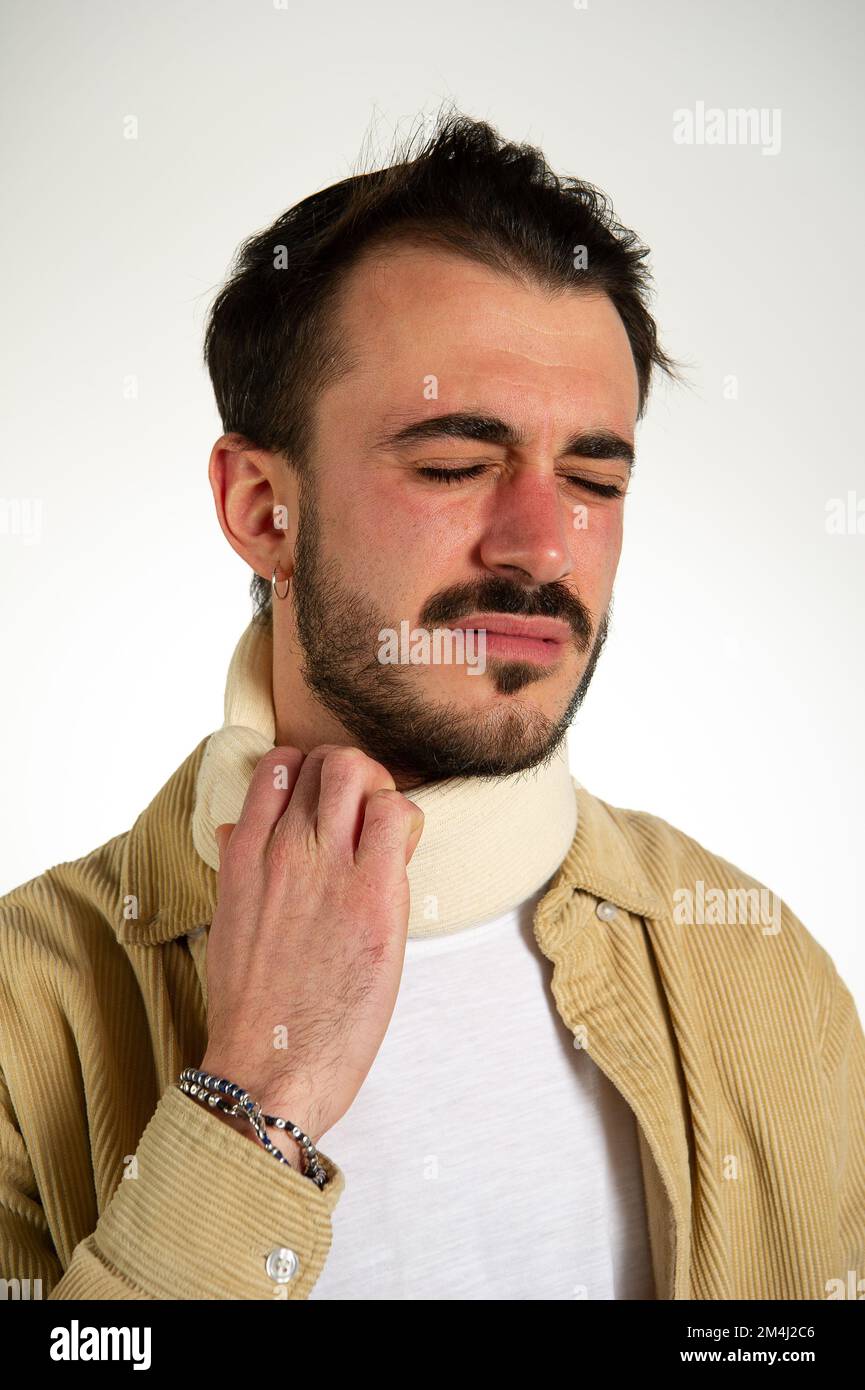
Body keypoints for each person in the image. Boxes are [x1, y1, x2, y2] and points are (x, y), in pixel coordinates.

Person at [1, 111, 862, 1302]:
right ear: (262, 509)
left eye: (594, 477)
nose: (544, 545)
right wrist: (256, 1099)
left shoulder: (759, 966)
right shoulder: (21, 1008)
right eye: (456, 463)